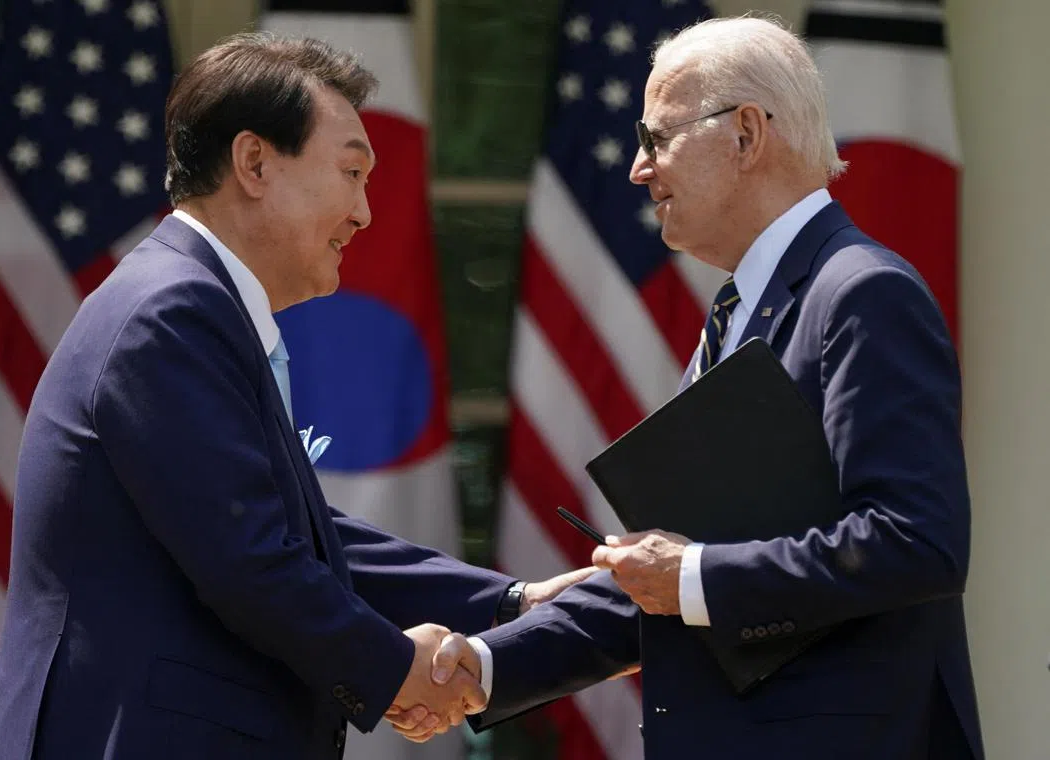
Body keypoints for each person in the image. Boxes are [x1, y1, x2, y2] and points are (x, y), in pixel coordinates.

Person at [0, 33, 593, 760]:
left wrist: (507, 603)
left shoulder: (191, 302)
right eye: (351, 173)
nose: (365, 212)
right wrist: (400, 671)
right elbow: (252, 560)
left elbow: (298, 535)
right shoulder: (170, 313)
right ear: (254, 162)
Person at [389, 16, 984, 759]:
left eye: (657, 138)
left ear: (745, 135)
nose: (640, 169)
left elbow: (915, 541)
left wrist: (692, 574)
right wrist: (487, 665)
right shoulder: (738, 313)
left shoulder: (862, 292)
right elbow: (670, 571)